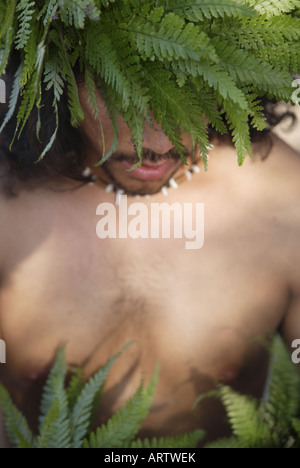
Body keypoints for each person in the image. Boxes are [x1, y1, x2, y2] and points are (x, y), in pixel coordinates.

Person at [0, 67, 300, 448]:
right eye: (120, 92)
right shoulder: (7, 204)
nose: (156, 141)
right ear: (57, 74)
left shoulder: (287, 204)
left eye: (189, 90)